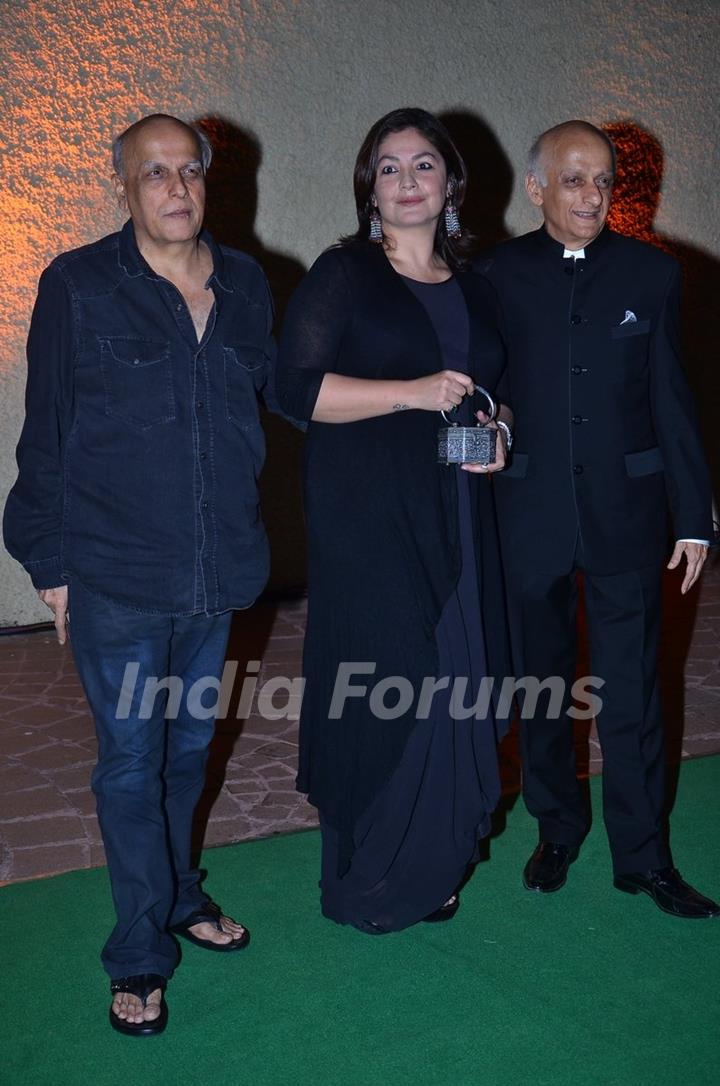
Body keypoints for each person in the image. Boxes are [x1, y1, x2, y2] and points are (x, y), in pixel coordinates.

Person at [3, 114, 280, 1034]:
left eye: (189, 170)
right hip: (115, 574)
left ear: (209, 181)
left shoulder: (246, 282)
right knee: (130, 763)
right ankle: (137, 952)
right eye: (153, 172)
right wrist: (50, 563)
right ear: (122, 184)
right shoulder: (79, 285)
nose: (175, 188)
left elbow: (275, 407)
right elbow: (43, 437)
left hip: (216, 573)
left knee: (188, 755)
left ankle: (180, 894)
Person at [276, 107, 513, 934]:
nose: (407, 181)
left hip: (458, 516)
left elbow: (492, 386)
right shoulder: (344, 274)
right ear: (367, 188)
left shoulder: (476, 288)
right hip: (369, 522)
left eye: (423, 165)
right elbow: (293, 389)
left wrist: (501, 433)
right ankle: (369, 879)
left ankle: (436, 863)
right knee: (389, 684)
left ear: (450, 183)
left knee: (456, 686)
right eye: (389, 167)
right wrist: (409, 393)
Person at [480, 120, 719, 918]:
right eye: (574, 181)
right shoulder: (495, 275)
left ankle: (643, 857)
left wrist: (696, 516)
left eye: (603, 183)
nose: (592, 196)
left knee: (633, 693)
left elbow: (671, 400)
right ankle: (557, 828)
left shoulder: (653, 275)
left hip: (629, 515)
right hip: (529, 512)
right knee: (543, 689)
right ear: (537, 186)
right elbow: (487, 391)